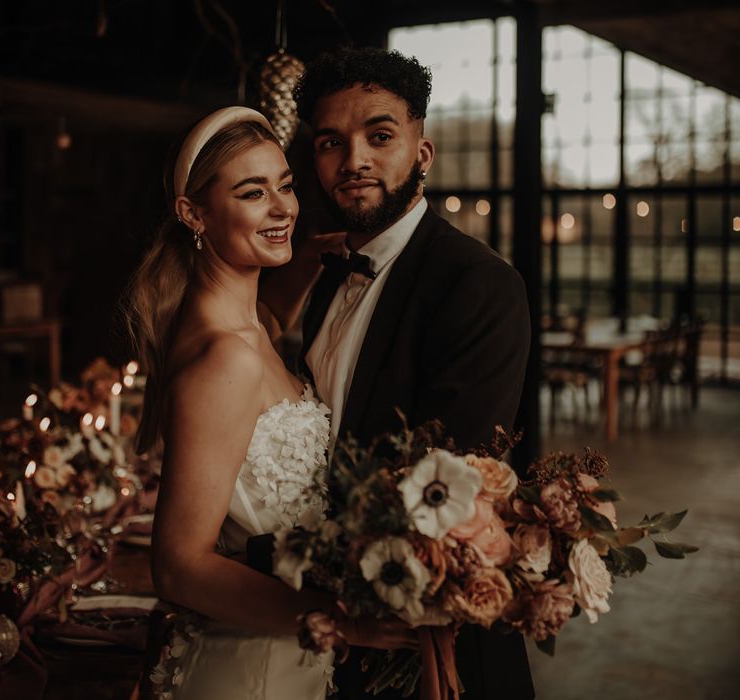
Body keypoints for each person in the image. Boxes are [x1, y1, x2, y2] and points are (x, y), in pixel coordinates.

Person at [259, 47, 534, 699]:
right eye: (331, 142)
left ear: (422, 152)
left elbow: (450, 483)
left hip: (437, 648)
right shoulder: (328, 281)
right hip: (341, 640)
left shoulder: (479, 285)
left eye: (379, 136)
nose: (353, 161)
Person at [125, 106, 415, 700]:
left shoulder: (244, 323)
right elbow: (177, 566)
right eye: (254, 193)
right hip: (251, 670)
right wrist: (341, 620)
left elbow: (270, 320)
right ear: (193, 213)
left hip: (286, 657)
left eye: (285, 184)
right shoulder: (224, 358)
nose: (285, 207)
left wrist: (309, 255)